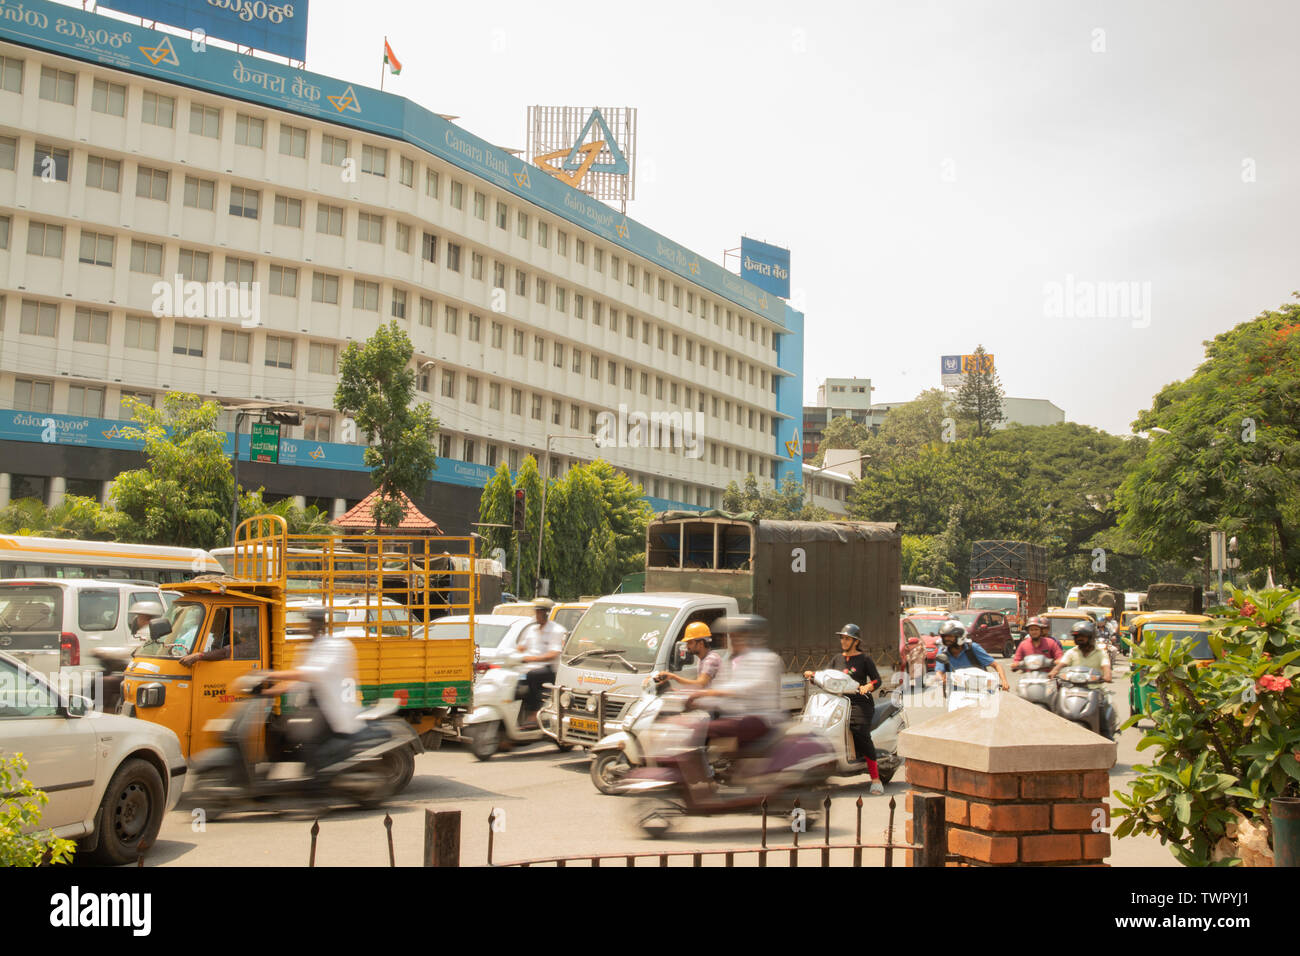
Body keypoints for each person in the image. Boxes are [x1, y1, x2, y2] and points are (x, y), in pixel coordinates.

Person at [261, 606, 363, 766]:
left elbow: (312, 673)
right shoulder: (310, 648)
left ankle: (314, 781)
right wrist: (268, 691)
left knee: (305, 736)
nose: (311, 626)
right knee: (277, 730)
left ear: (322, 625)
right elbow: (298, 679)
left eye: (314, 623)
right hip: (313, 706)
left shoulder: (335, 646)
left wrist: (269, 674)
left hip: (329, 709)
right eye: (309, 623)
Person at [805, 623, 885, 794]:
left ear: (855, 641)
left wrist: (868, 687)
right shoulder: (837, 659)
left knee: (860, 731)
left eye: (847, 638)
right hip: (838, 701)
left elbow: (877, 680)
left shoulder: (864, 659)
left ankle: (876, 779)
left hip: (859, 702)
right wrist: (813, 676)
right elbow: (825, 677)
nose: (843, 641)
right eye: (842, 638)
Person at [687, 615, 783, 756]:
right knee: (691, 729)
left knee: (701, 731)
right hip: (736, 719)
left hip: (760, 720)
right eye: (732, 638)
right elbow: (722, 691)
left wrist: (709, 694)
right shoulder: (732, 661)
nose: (733, 642)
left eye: (737, 638)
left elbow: (747, 687)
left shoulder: (767, 659)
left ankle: (705, 774)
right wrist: (698, 702)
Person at [515, 598, 566, 729]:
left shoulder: (556, 630)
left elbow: (554, 653)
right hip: (529, 667)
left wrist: (532, 659)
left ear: (547, 613)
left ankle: (533, 715)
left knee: (532, 676)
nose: (537, 615)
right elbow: (521, 646)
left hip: (550, 670)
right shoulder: (532, 630)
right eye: (536, 612)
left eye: (540, 612)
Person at [934, 620, 1011, 692]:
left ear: (960, 636)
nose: (947, 639)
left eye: (950, 636)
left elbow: (996, 665)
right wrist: (941, 679)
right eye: (945, 637)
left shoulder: (973, 648)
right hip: (956, 693)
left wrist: (1004, 681)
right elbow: (939, 672)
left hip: (979, 691)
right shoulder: (943, 652)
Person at [656, 621, 724, 689]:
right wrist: (674, 691)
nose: (687, 646)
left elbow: (700, 684)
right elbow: (701, 688)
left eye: (690, 642)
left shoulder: (711, 659)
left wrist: (674, 677)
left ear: (701, 643)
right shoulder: (703, 659)